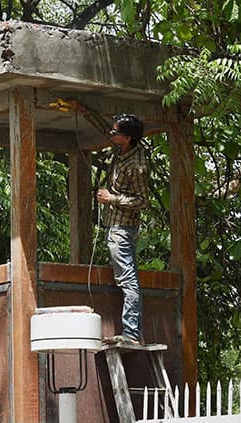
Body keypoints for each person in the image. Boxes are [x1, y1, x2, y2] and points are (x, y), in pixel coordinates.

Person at [96, 113, 149, 344]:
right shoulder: (122, 151)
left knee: (128, 282)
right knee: (126, 280)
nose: (111, 134)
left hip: (123, 229)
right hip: (116, 227)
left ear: (126, 138)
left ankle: (131, 334)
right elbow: (101, 126)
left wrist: (111, 199)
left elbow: (142, 201)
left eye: (115, 132)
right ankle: (130, 333)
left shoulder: (137, 165)